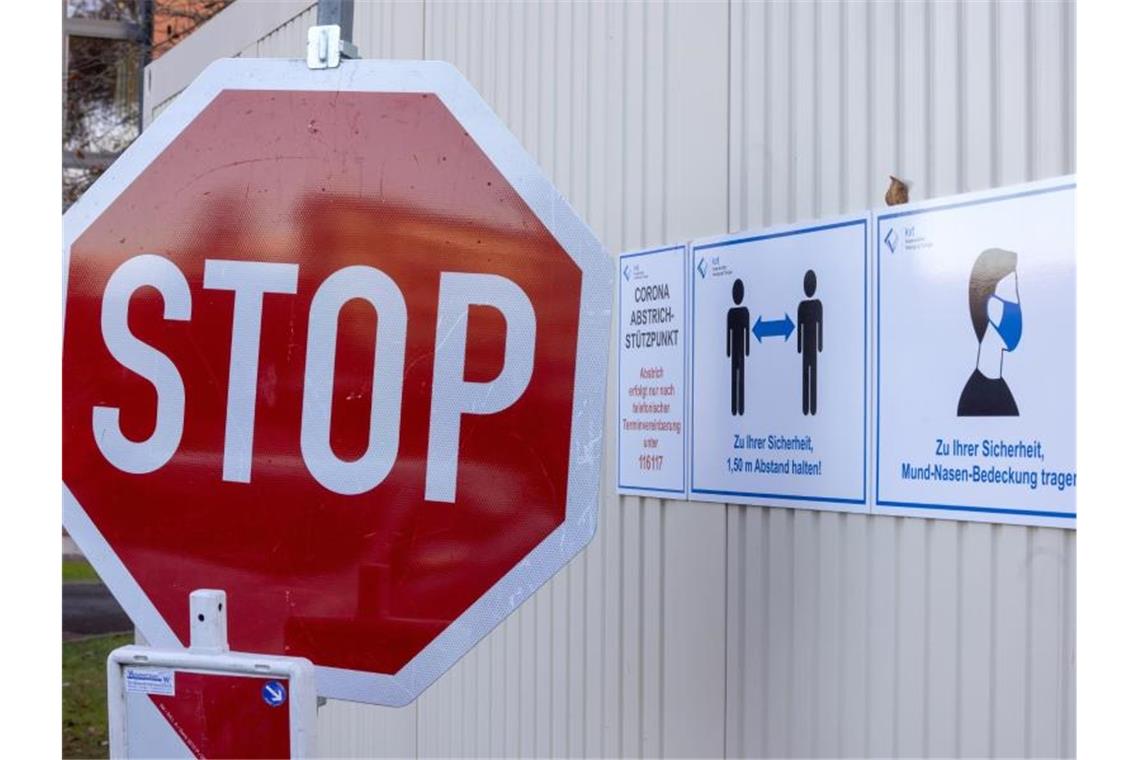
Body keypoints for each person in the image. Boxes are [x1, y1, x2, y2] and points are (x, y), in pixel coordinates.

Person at [957, 248, 1021, 416]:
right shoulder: (971, 400)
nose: (1017, 308)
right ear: (991, 308)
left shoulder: (1003, 392)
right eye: (1012, 296)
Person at [797, 269, 823, 415]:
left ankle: (811, 408)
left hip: (810, 348)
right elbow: (800, 328)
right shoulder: (805, 306)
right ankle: (807, 408)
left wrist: (819, 345)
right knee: (807, 375)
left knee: (809, 374)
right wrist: (818, 346)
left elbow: (820, 326)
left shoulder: (811, 306)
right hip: (810, 348)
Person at [726, 279, 750, 416]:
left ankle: (738, 408)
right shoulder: (740, 312)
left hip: (737, 352)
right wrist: (746, 350)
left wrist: (729, 351)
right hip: (738, 352)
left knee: (738, 378)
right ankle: (736, 408)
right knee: (737, 378)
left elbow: (745, 332)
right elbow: (729, 333)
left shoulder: (736, 313)